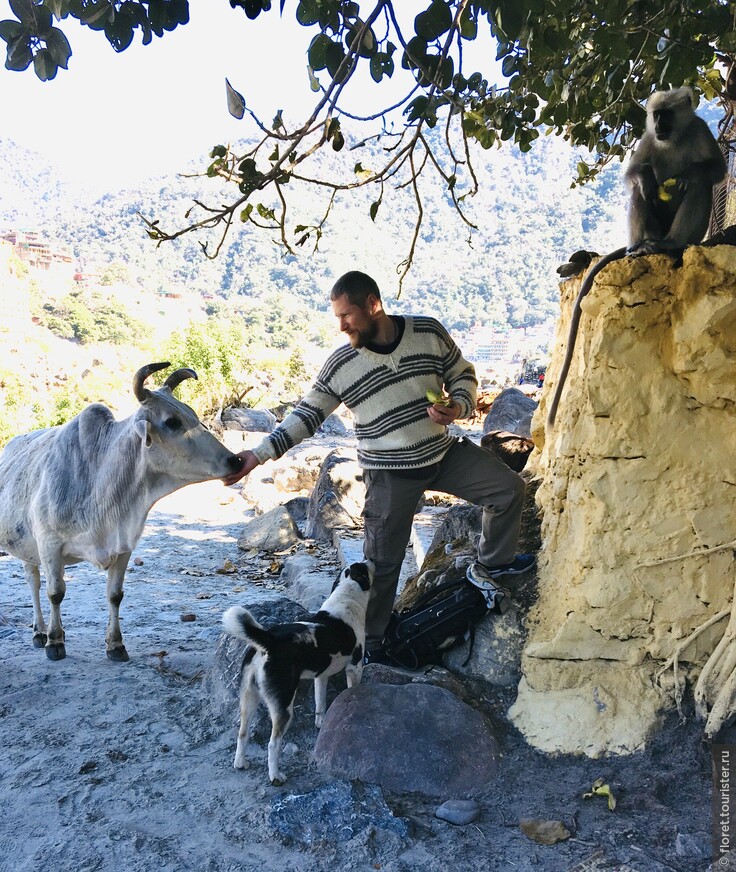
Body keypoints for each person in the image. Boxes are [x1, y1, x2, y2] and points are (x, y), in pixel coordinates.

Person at [223, 271, 535, 658]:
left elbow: (462, 374)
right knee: (382, 567)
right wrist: (256, 455)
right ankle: (371, 644)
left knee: (508, 490)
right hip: (389, 472)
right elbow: (306, 415)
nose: (341, 326)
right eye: (337, 317)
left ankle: (494, 567)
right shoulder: (342, 364)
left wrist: (457, 405)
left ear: (373, 305)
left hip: (441, 453)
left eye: (346, 316)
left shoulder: (427, 333)